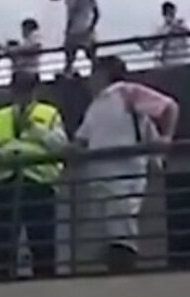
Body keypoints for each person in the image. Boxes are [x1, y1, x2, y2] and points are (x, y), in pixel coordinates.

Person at [74, 56, 179, 273]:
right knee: (105, 224)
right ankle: (115, 262)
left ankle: (124, 264)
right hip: (99, 176)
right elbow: (81, 140)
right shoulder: (95, 105)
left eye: (94, 72)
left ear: (104, 73)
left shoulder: (127, 92)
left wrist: (167, 136)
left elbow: (169, 106)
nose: (90, 78)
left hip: (125, 171)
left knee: (121, 221)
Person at [0, 72, 68, 280]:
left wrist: (35, 129)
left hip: (38, 183)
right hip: (6, 182)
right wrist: (1, 156)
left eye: (27, 89)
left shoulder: (50, 114)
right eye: (19, 90)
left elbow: (61, 145)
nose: (23, 94)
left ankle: (45, 283)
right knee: (1, 241)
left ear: (36, 91)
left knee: (42, 240)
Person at [45, 0, 100, 76]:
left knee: (91, 57)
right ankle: (68, 76)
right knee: (70, 58)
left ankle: (95, 75)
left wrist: (91, 27)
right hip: (72, 30)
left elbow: (97, 13)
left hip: (85, 29)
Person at [139, 1, 190, 67]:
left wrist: (174, 26)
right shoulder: (160, 29)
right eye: (167, 12)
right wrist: (140, 42)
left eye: (171, 11)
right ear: (163, 13)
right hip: (165, 63)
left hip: (181, 60)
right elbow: (149, 46)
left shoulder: (182, 22)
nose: (169, 14)